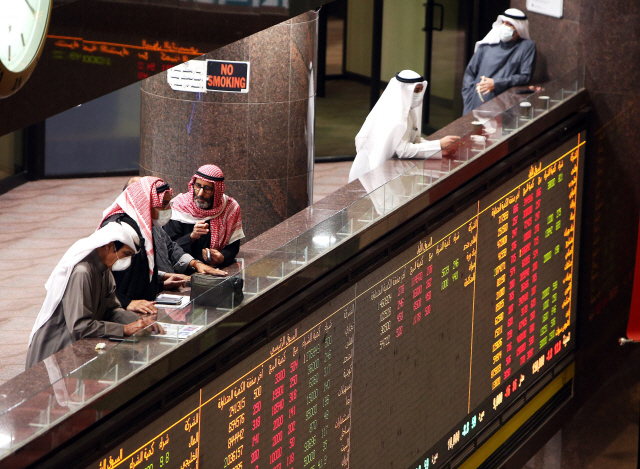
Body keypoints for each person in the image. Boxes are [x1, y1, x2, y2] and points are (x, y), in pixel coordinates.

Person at [26, 222, 164, 369]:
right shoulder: (82, 272)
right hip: (55, 350)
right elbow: (80, 326)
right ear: (110, 246)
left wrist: (141, 322)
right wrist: (124, 330)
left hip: (73, 347)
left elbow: (111, 309)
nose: (126, 261)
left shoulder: (105, 270)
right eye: (125, 254)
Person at [348, 70, 460, 183]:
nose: (419, 95)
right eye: (415, 91)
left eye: (420, 90)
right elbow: (403, 150)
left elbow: (414, 140)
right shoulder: (394, 113)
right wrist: (438, 145)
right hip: (368, 176)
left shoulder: (408, 110)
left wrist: (440, 149)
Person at [99, 176, 183, 314]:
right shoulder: (121, 229)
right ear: (146, 203)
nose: (168, 209)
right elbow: (104, 280)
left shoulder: (144, 227)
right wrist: (127, 302)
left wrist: (160, 285)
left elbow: (137, 275)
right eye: (164, 204)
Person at [123, 177, 227, 280]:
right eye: (163, 204)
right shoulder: (125, 232)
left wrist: (196, 264)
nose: (168, 209)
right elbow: (135, 272)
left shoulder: (154, 225)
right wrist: (170, 277)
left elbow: (171, 248)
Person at [164, 165, 244, 267]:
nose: (200, 193)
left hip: (216, 269)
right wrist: (191, 237)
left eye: (207, 188)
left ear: (217, 191)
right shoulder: (178, 206)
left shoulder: (229, 208)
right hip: (184, 269)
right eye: (197, 186)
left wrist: (222, 258)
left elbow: (233, 246)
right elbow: (167, 248)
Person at [462, 8, 536, 114]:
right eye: (503, 23)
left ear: (519, 29)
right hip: (477, 103)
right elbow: (470, 74)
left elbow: (525, 76)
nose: (504, 27)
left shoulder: (526, 47)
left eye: (510, 24)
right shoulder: (487, 43)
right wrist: (468, 101)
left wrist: (496, 83)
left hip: (505, 106)